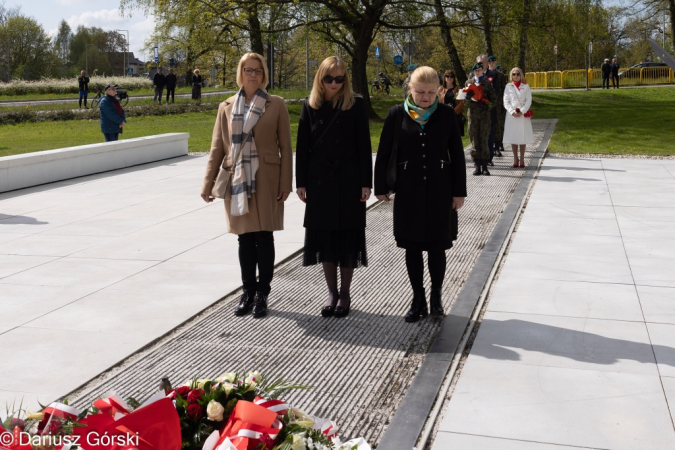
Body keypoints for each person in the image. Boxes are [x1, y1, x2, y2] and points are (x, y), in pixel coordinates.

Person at [200, 53, 292, 319]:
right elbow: (217, 148)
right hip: (237, 178)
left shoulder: (276, 104)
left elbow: (286, 147)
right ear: (240, 72)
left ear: (264, 74)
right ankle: (248, 291)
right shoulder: (226, 106)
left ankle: (263, 293)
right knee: (245, 238)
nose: (253, 75)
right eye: (248, 70)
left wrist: (286, 182)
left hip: (267, 179)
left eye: (258, 71)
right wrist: (207, 184)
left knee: (264, 236)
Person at [374, 66, 467, 323]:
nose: (425, 97)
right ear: (410, 90)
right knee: (412, 247)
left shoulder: (447, 115)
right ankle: (418, 298)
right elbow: (383, 153)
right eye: (419, 92)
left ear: (438, 91)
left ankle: (436, 297)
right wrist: (380, 186)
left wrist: (459, 192)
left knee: (438, 247)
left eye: (429, 92)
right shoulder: (395, 115)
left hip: (440, 190)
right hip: (408, 191)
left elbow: (457, 156)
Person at [295, 56, 373, 318]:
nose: (334, 83)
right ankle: (331, 292)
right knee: (325, 237)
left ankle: (345, 293)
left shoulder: (356, 104)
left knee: (347, 238)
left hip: (349, 182)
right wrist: (301, 182)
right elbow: (303, 147)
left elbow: (364, 146)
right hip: (320, 182)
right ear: (320, 78)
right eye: (329, 78)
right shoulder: (310, 105)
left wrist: (366, 183)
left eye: (340, 78)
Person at [464, 61, 496, 176]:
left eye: (479, 70)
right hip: (472, 116)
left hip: (484, 116)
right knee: (474, 141)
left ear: (483, 70)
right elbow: (464, 103)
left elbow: (494, 100)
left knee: (484, 140)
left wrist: (486, 105)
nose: (477, 72)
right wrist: (467, 98)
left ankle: (485, 166)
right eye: (475, 71)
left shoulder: (487, 83)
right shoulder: (468, 83)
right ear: (473, 71)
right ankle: (476, 165)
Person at [503, 67, 534, 168]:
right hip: (512, 116)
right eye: (514, 74)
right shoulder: (508, 86)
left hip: (522, 115)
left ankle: (522, 158)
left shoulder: (526, 86)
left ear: (521, 75)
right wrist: (512, 111)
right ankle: (515, 158)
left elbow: (528, 100)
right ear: (511, 75)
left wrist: (522, 111)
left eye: (518, 74)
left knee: (522, 137)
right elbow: (506, 101)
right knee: (514, 137)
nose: (516, 76)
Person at [486, 55, 507, 161]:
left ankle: (497, 146)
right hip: (488, 103)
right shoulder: (485, 74)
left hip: (499, 103)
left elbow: (504, 90)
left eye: (493, 62)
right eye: (490, 62)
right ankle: (489, 146)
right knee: (489, 124)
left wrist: (504, 103)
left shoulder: (500, 75)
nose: (492, 64)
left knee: (498, 124)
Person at [438, 69, 465, 136]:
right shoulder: (440, 89)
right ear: (444, 78)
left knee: (456, 137)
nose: (449, 78)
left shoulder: (458, 89)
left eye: (451, 76)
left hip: (455, 116)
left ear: (454, 78)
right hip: (444, 116)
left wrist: (453, 112)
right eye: (447, 76)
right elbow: (437, 102)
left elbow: (461, 103)